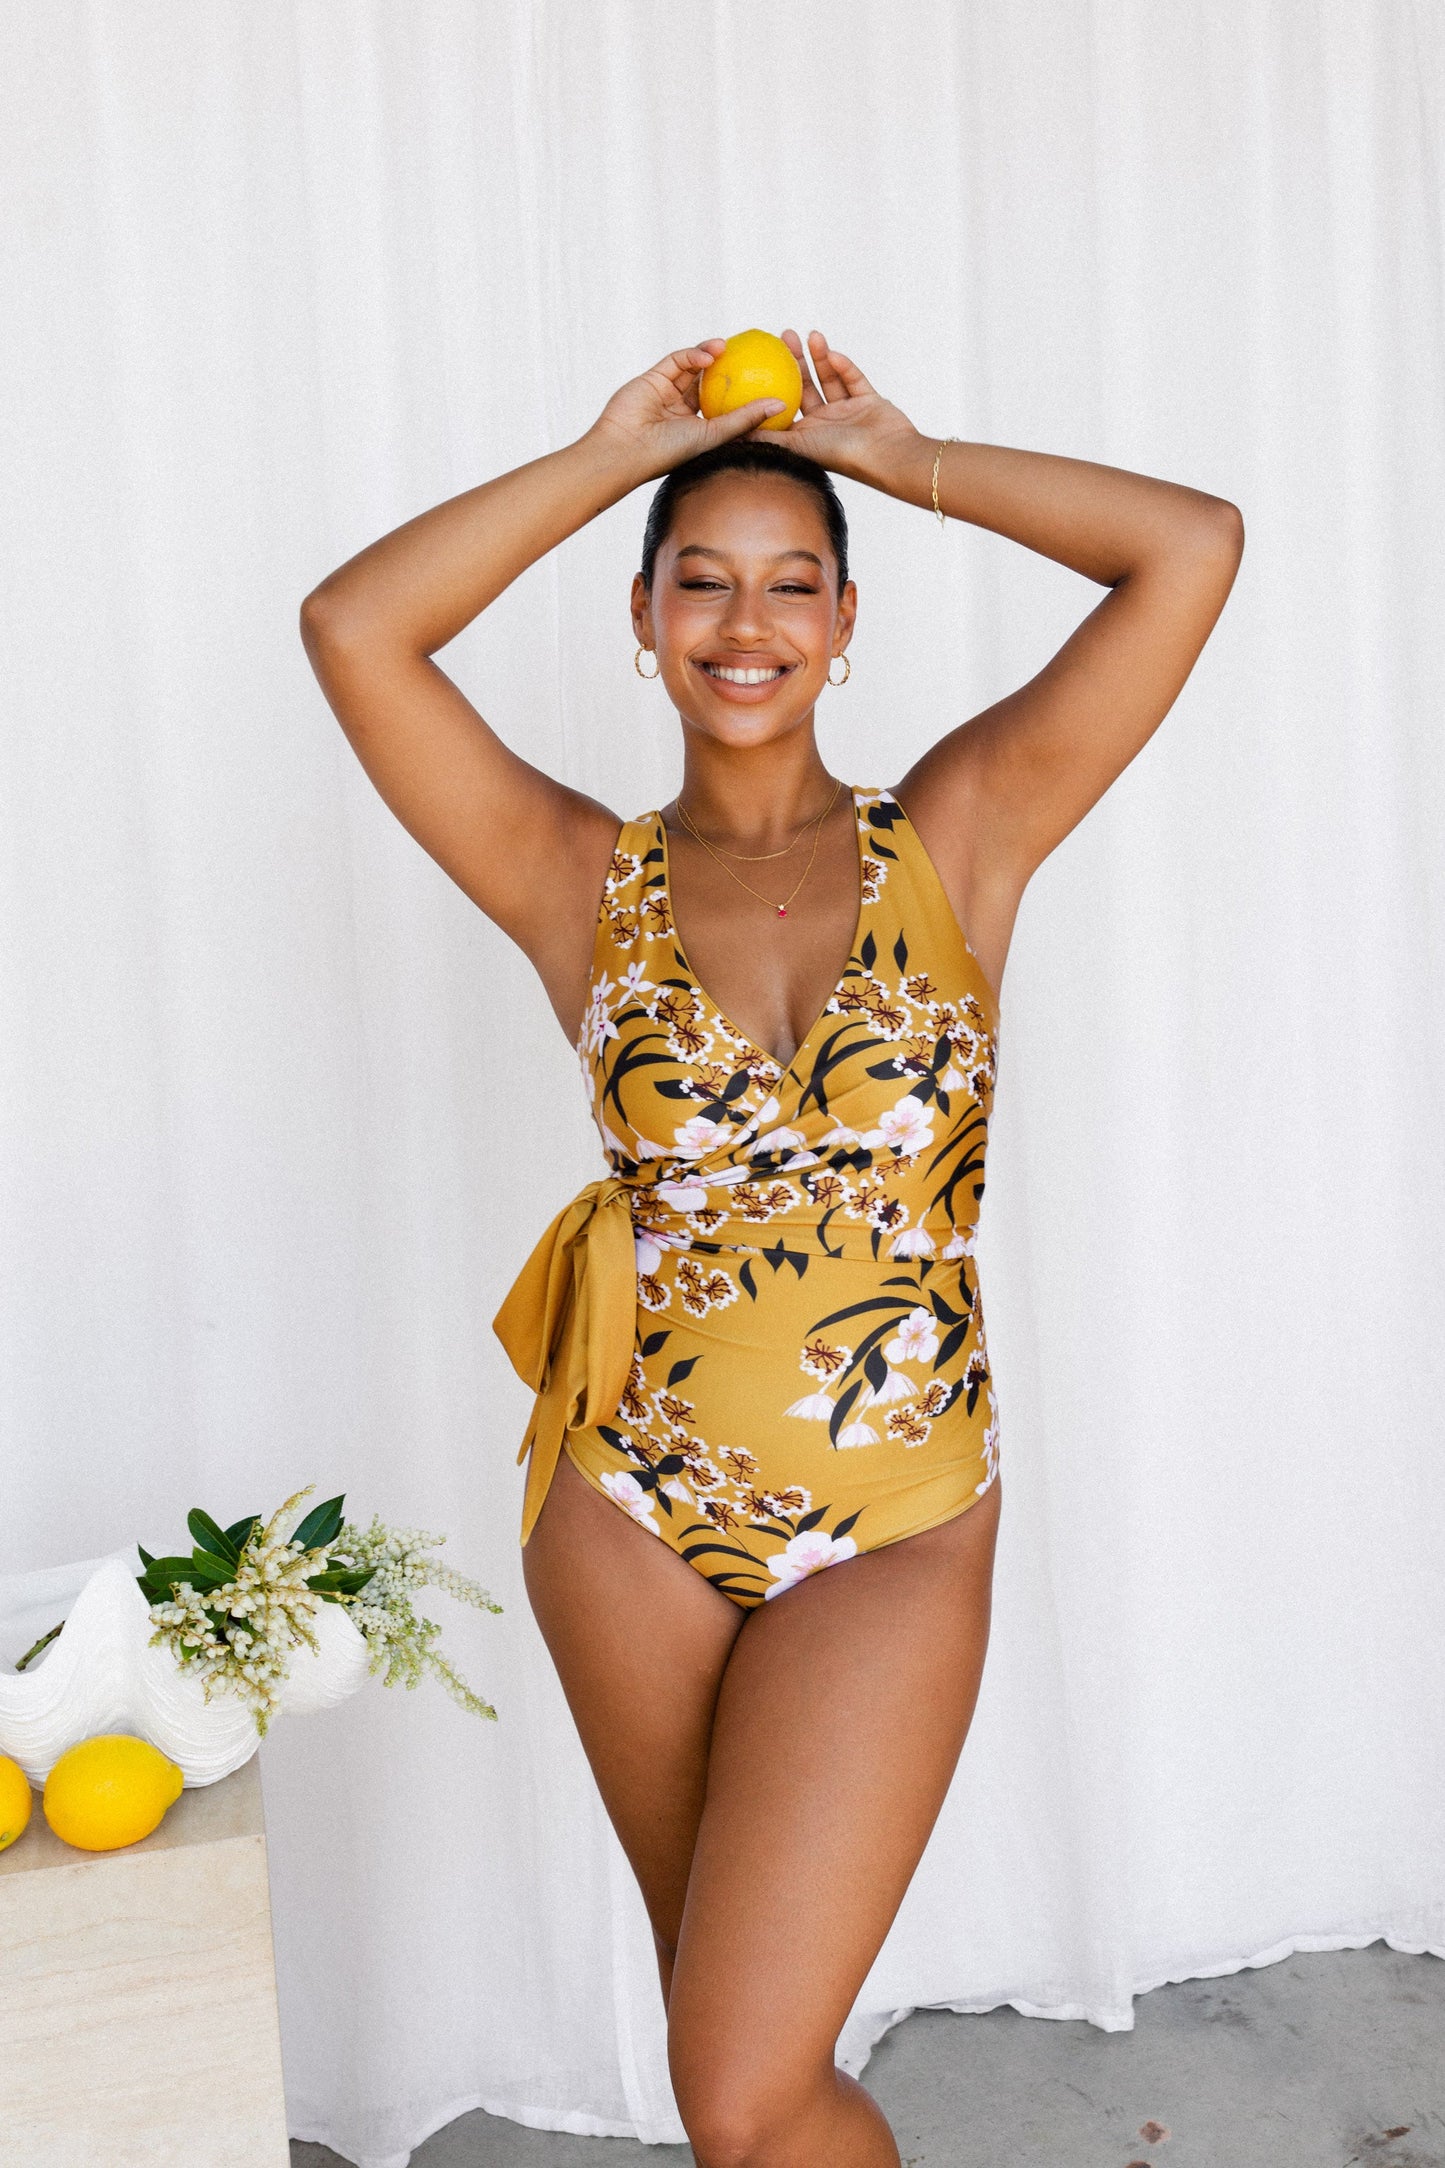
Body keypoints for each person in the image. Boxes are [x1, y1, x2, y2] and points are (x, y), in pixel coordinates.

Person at [299, 331, 1243, 2168]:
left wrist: (903, 454)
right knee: (740, 2085)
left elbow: (1190, 546)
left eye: (790, 583)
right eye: (700, 583)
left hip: (888, 1527)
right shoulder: (574, 876)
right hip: (624, 1517)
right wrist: (600, 457)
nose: (746, 624)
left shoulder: (962, 834)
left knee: (738, 2084)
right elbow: (355, 629)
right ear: (642, 618)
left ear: (847, 616)